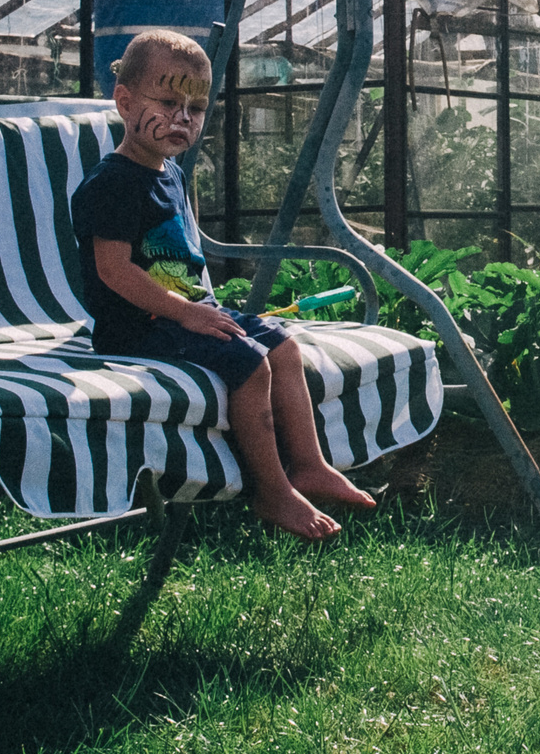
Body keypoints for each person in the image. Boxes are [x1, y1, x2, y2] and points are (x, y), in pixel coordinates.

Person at [72, 30, 377, 540]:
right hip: (137, 327)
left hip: (185, 313)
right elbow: (114, 271)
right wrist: (186, 313)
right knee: (251, 366)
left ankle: (309, 464)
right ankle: (272, 492)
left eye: (195, 106)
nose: (183, 118)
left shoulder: (167, 173)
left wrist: (196, 310)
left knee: (284, 347)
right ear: (124, 102)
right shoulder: (113, 183)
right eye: (168, 102)